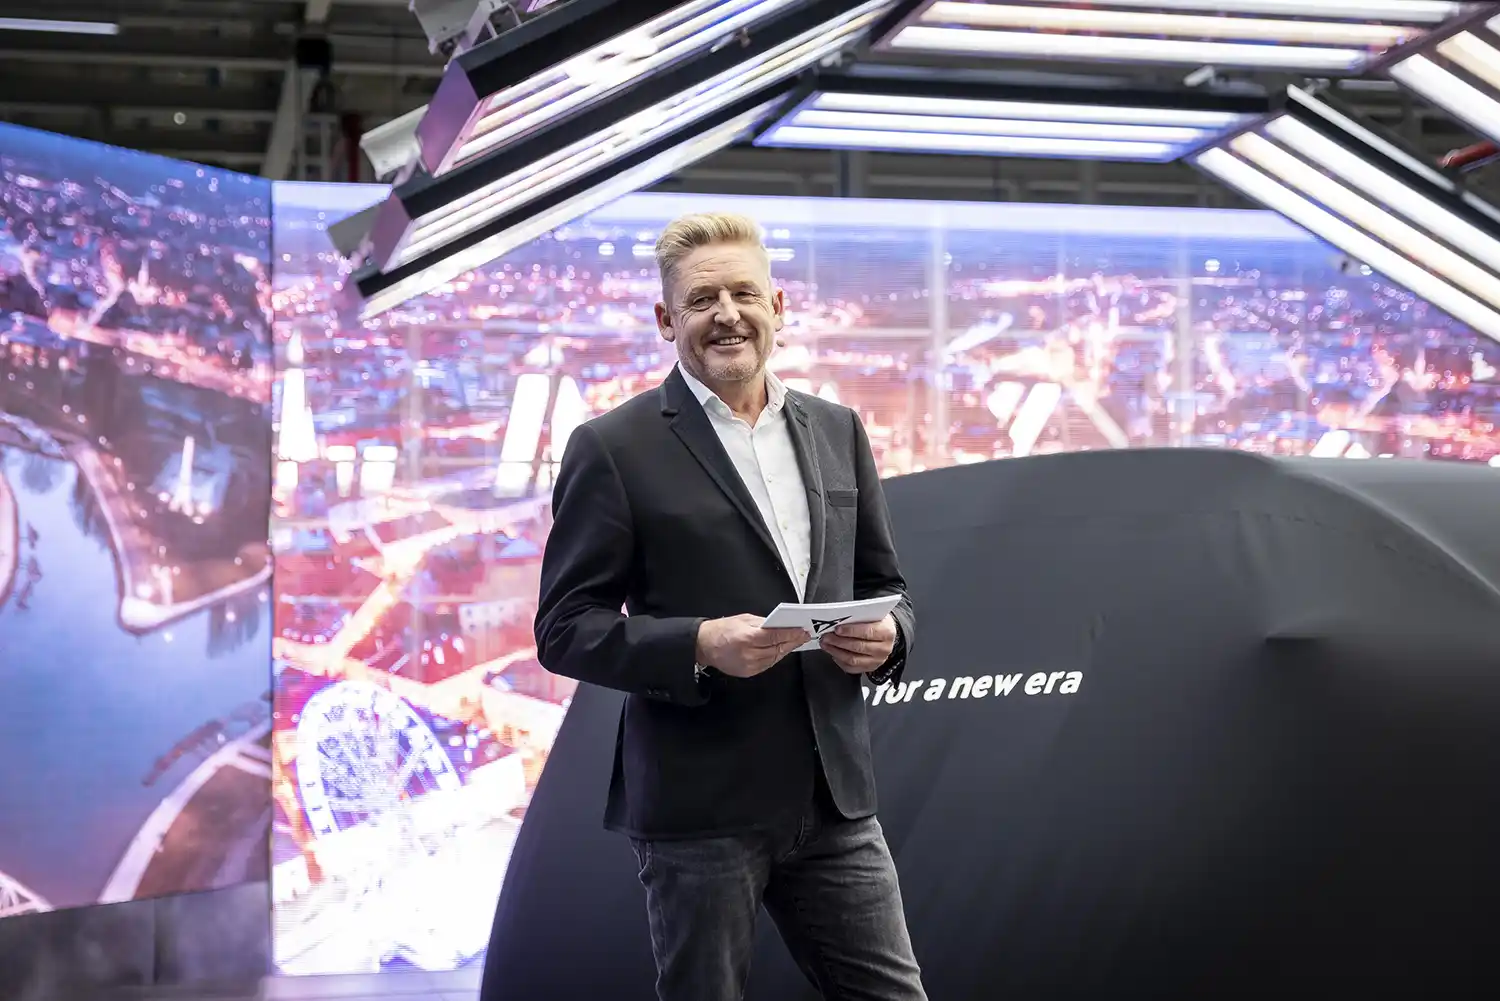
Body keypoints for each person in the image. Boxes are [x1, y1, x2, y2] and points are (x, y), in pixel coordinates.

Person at [534, 211, 926, 1001]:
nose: (727, 314)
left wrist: (890, 635)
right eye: (702, 299)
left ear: (777, 305)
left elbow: (891, 586)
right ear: (665, 318)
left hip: (834, 799)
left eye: (744, 293)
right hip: (699, 810)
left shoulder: (837, 429)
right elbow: (564, 628)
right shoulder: (613, 447)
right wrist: (700, 643)